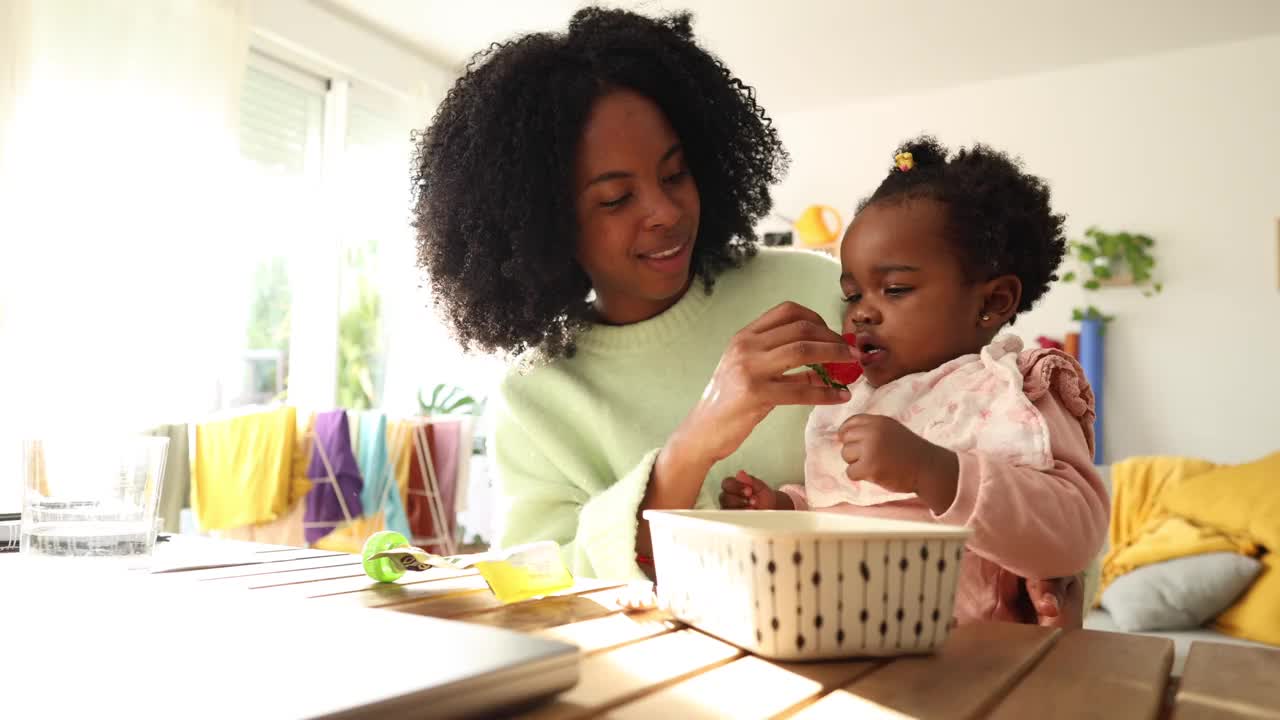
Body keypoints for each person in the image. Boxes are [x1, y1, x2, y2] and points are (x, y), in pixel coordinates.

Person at [411, 6, 1081, 625]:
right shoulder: (537, 400)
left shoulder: (819, 292)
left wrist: (1038, 568)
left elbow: (992, 428)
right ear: (543, 227)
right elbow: (539, 595)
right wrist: (696, 441)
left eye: (675, 174)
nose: (666, 212)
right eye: (616, 199)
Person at [720, 137, 1108, 625]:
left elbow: (1076, 532)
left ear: (992, 302)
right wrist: (783, 507)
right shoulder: (859, 401)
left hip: (976, 666)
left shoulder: (1013, 389)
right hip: (849, 646)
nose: (861, 311)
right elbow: (842, 509)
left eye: (895, 289)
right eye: (853, 293)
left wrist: (936, 472)